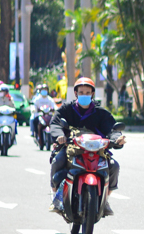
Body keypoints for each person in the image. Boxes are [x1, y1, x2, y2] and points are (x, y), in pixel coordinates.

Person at [49, 77, 124, 216]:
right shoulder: (66, 109)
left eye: (88, 92)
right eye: (81, 92)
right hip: (71, 148)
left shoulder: (101, 112)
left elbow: (111, 129)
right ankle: (55, 198)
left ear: (92, 94)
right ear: (76, 93)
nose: (85, 95)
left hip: (97, 150)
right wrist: (60, 136)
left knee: (114, 166)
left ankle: (105, 200)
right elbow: (55, 123)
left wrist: (117, 139)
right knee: (57, 161)